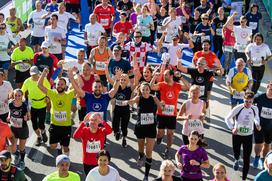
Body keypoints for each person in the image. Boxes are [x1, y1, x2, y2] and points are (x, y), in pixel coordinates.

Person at [150, 69, 190, 159]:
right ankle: (159, 138)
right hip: (161, 113)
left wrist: (181, 77)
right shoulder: (161, 84)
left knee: (170, 133)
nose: (164, 76)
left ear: (171, 76)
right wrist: (154, 77)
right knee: (160, 133)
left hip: (172, 114)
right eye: (164, 75)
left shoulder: (177, 85)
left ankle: (168, 149)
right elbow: (151, 87)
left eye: (166, 75)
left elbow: (188, 87)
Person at [127, 82, 162, 180]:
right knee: (141, 149)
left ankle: (146, 175)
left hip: (151, 128)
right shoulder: (138, 98)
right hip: (140, 127)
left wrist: (161, 104)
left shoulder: (154, 98)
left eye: (147, 89)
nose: (145, 91)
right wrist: (128, 101)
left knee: (149, 152)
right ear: (140, 90)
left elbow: (161, 107)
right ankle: (141, 155)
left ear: (150, 90)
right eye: (143, 90)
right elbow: (131, 102)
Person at [38, 68, 75, 155]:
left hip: (66, 126)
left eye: (62, 84)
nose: (60, 86)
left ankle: (66, 160)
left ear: (66, 86)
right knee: (52, 146)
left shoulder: (69, 94)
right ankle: (59, 147)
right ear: (55, 85)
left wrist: (72, 76)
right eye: (58, 84)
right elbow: (39, 85)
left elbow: (80, 86)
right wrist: (43, 73)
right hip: (54, 125)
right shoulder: (52, 93)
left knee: (65, 147)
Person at [225, 91, 261, 181]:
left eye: (250, 102)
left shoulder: (255, 108)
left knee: (247, 158)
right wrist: (232, 128)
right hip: (237, 135)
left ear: (253, 101)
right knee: (236, 152)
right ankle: (236, 159)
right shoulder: (238, 108)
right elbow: (227, 118)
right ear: (243, 99)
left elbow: (256, 118)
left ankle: (244, 178)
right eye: (246, 101)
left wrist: (257, 124)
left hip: (248, 136)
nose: (248, 104)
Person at [22, 66, 50, 146]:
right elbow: (22, 91)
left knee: (41, 124)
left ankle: (43, 132)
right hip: (32, 105)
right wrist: (23, 98)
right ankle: (39, 137)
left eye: (35, 74)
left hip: (42, 104)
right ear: (30, 74)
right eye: (32, 75)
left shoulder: (43, 80)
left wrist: (48, 98)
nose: (34, 76)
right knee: (34, 124)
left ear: (38, 73)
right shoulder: (27, 81)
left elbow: (49, 90)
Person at [7, 89, 29, 170]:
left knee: (21, 148)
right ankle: (16, 155)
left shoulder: (24, 105)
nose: (17, 97)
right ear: (13, 95)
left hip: (23, 129)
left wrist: (27, 117)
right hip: (13, 129)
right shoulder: (10, 104)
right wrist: (9, 116)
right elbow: (10, 111)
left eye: (19, 95)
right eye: (15, 95)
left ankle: (22, 161)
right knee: (13, 148)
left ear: (22, 96)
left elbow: (28, 115)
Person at [252, 81, 272, 169]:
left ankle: (263, 159)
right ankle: (257, 156)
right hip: (259, 125)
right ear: (267, 87)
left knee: (267, 144)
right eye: (271, 89)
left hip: (270, 127)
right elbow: (249, 103)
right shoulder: (260, 97)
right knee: (259, 143)